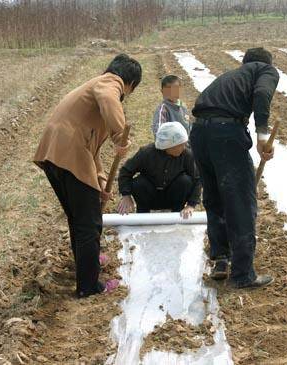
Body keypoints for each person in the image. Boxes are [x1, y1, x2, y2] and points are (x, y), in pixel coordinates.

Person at [33, 54, 141, 298]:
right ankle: (89, 285)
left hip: (56, 155)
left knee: (80, 220)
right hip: (69, 154)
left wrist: (100, 182)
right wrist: (118, 135)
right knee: (89, 224)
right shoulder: (109, 83)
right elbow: (108, 99)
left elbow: (93, 151)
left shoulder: (92, 93)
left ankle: (86, 270)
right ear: (130, 84)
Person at [189, 47, 279, 289]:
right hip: (226, 134)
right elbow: (262, 94)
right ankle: (242, 275)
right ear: (265, 64)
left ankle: (221, 259)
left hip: (198, 132)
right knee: (239, 202)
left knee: (215, 198)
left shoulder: (231, 77)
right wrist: (262, 136)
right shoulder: (265, 70)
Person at [117, 123, 201, 218]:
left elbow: (197, 179)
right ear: (169, 145)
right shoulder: (146, 153)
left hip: (172, 197)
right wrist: (126, 195)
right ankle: (143, 214)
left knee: (185, 181)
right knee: (139, 182)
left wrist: (191, 205)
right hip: (151, 196)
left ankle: (177, 213)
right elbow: (125, 172)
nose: (184, 147)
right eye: (181, 145)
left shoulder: (186, 154)